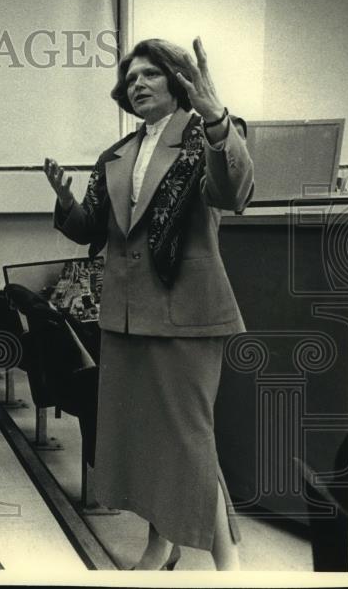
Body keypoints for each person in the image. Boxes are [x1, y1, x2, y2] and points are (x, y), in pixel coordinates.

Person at [43, 37, 252, 571]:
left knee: (189, 439)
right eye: (130, 78)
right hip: (126, 316)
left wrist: (216, 119)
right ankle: (162, 545)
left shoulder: (208, 134)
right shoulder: (116, 155)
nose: (136, 84)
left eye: (149, 75)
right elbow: (90, 228)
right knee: (149, 442)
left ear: (179, 82)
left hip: (188, 312)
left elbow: (233, 192)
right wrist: (66, 201)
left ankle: (230, 564)